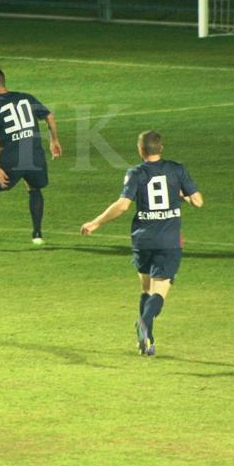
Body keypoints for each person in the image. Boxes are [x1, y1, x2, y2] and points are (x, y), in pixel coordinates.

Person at [80, 130, 204, 356]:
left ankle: (146, 342)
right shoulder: (177, 169)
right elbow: (198, 201)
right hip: (168, 241)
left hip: (142, 240)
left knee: (146, 289)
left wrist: (96, 223)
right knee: (160, 291)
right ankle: (144, 322)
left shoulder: (135, 172)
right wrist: (181, 195)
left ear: (140, 150)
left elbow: (122, 206)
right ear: (161, 148)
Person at [0, 67, 62, 250]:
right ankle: (37, 235)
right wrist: (54, 140)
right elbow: (49, 117)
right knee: (34, 188)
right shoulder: (26, 98)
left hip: (11, 158)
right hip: (34, 155)